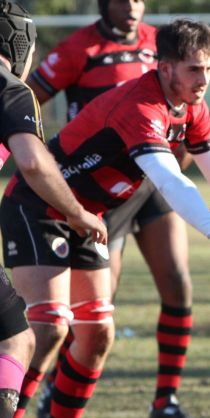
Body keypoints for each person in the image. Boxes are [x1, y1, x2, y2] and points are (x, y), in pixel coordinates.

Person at [1, 19, 210, 418]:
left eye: (209, 69)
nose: (204, 80)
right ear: (165, 68)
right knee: (51, 325)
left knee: (96, 335)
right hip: (37, 204)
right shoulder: (140, 107)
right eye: (194, 69)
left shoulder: (190, 105)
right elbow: (170, 181)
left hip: (88, 216)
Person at [26, 2, 201, 416]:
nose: (133, 7)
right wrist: (43, 152)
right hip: (104, 188)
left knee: (177, 283)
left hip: (153, 182)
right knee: (96, 305)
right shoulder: (78, 48)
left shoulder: (161, 45)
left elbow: (188, 113)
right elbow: (27, 98)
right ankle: (55, 387)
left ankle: (166, 400)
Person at [0, 2, 107, 417]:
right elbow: (32, 161)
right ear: (19, 40)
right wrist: (77, 213)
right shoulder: (9, 87)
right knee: (16, 341)